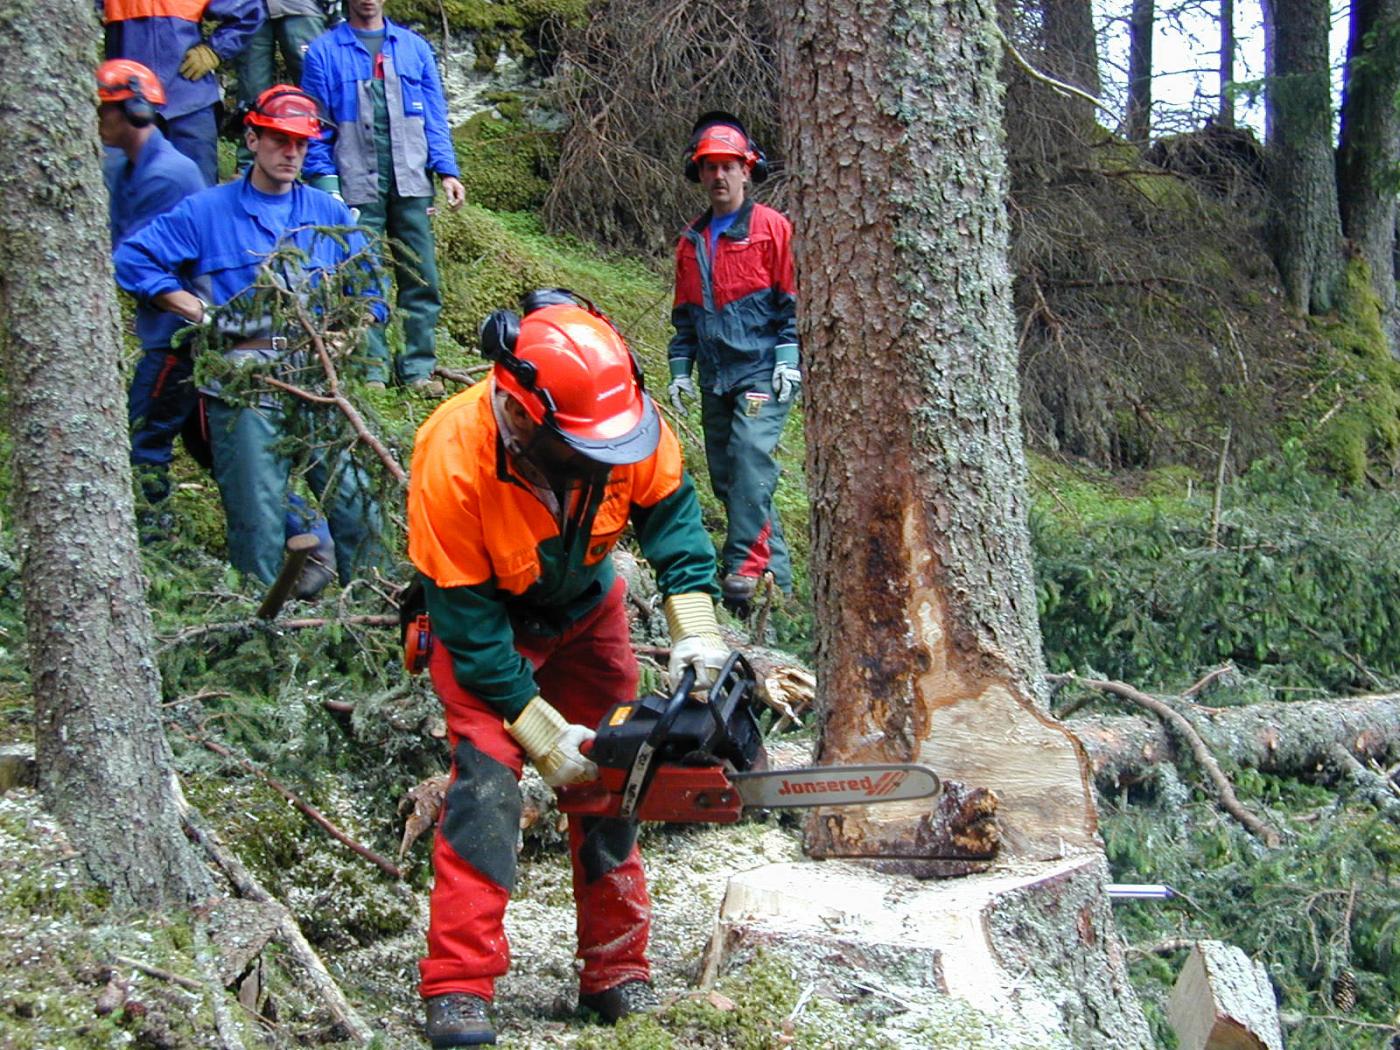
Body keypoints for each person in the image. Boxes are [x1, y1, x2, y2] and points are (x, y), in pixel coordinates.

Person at [406, 289, 730, 1047]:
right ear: (522, 417)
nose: (604, 461)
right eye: (588, 450)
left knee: (616, 775)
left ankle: (617, 970)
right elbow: (466, 623)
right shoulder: (452, 454)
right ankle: (458, 984)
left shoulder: (619, 416)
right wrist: (534, 726)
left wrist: (695, 626)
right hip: (488, 629)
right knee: (487, 786)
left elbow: (672, 515)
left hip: (587, 608)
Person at [113, 85, 386, 588]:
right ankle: (263, 627)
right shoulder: (206, 211)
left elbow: (370, 287)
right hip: (243, 389)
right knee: (257, 518)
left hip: (319, 379)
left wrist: (353, 332)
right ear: (253, 138)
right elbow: (132, 260)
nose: (291, 153)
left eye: (302, 143)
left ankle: (377, 606)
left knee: (354, 501)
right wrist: (192, 308)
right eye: (280, 139)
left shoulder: (327, 213)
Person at [666, 112, 801, 618]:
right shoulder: (691, 241)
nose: (719, 177)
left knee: (749, 456)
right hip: (715, 375)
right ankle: (779, 588)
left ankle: (743, 569)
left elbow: (793, 300)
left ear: (747, 170)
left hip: (763, 371)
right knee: (729, 476)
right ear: (698, 174)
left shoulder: (771, 229)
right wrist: (681, 368)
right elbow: (684, 315)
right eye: (709, 168)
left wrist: (790, 356)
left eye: (728, 166)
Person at [301, 0, 466, 394]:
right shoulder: (323, 52)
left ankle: (417, 369)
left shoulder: (414, 48)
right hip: (356, 183)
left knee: (419, 274)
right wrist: (327, 185)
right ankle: (370, 369)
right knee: (360, 275)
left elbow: (435, 117)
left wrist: (447, 171)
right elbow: (315, 127)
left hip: (411, 180)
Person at [99, 0, 265, 186]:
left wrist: (215, 50)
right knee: (126, 199)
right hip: (127, 104)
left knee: (199, 198)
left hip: (190, 102)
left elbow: (248, 10)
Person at [232, 0, 337, 169]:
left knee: (317, 90)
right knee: (251, 93)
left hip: (304, 7)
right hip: (249, 8)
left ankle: (323, 168)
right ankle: (250, 170)